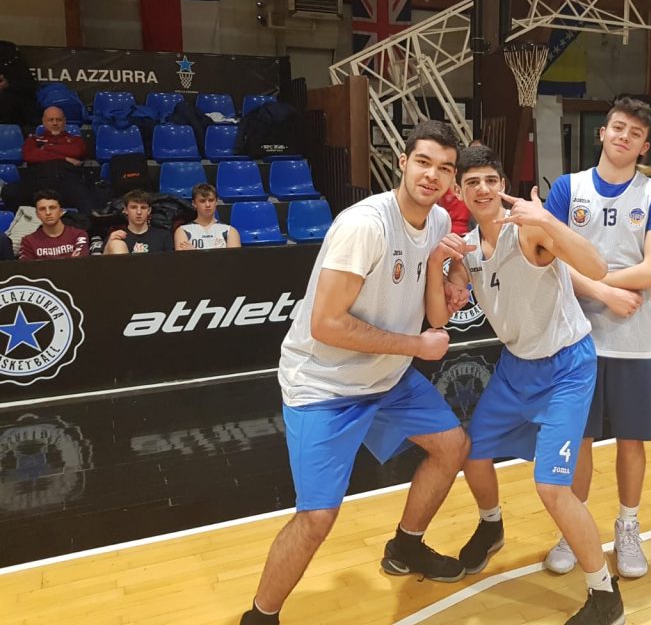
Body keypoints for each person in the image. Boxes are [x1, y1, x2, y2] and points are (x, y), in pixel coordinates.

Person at [240, 121, 472, 625]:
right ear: (402, 163)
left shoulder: (436, 220)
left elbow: (449, 256)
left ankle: (405, 547)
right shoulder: (365, 226)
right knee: (317, 517)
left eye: (444, 168)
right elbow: (326, 324)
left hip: (386, 376)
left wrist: (455, 272)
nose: (432, 175)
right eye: (423, 162)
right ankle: (260, 616)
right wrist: (416, 345)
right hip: (325, 384)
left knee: (452, 446)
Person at [451, 146, 626, 625]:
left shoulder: (529, 230)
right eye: (472, 182)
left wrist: (548, 220)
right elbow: (443, 305)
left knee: (552, 487)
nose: (483, 189)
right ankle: (491, 527)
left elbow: (596, 267)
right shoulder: (466, 250)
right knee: (470, 452)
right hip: (516, 367)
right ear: (460, 192)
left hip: (566, 367)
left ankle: (605, 596)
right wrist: (442, 271)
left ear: (503, 185)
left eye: (490, 179)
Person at [541, 97, 651, 578]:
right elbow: (550, 261)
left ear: (644, 146)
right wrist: (602, 289)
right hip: (576, 338)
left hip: (637, 338)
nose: (624, 136)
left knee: (631, 440)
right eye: (618, 127)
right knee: (578, 439)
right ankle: (573, 528)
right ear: (602, 133)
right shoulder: (568, 188)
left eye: (635, 133)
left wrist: (597, 282)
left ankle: (628, 527)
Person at [1, 106, 95, 212]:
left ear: (64, 121)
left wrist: (46, 147)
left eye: (58, 120)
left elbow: (75, 151)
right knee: (10, 191)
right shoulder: (34, 139)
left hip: (67, 179)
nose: (55, 123)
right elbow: (29, 156)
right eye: (51, 120)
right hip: (38, 179)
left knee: (87, 197)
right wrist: (64, 157)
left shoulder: (76, 140)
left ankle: (88, 221)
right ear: (44, 122)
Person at [18, 190, 88, 260]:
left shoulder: (78, 235)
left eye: (52, 208)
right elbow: (27, 267)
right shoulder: (28, 241)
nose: (48, 213)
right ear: (37, 214)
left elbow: (80, 263)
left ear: (61, 211)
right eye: (42, 209)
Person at [103, 189, 173, 254]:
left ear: (149, 210)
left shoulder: (163, 236)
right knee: (116, 243)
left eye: (143, 208)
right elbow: (103, 262)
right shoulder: (116, 236)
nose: (139, 212)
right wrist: (109, 242)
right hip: (123, 263)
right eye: (134, 207)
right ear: (125, 210)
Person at [174, 183, 241, 250]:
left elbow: (233, 257)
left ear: (216, 202)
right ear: (194, 203)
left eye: (211, 200)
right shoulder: (182, 231)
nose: (208, 205)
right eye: (202, 201)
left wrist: (194, 252)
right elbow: (183, 257)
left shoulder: (230, 231)